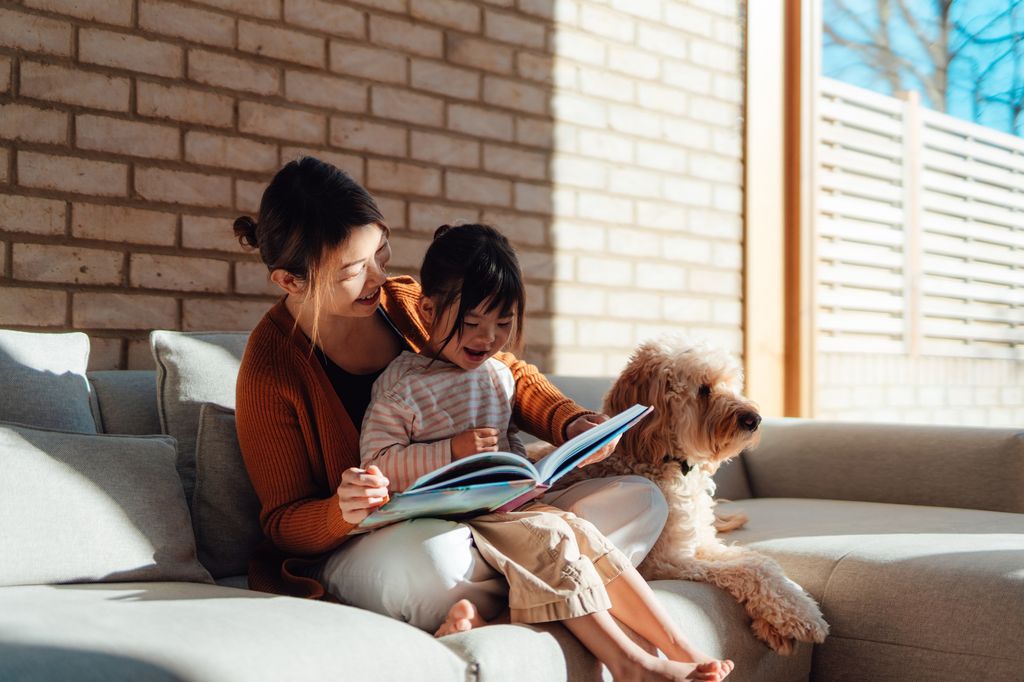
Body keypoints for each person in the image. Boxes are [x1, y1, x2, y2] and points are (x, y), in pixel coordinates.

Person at [232, 155, 668, 642]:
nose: (377, 277)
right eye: (353, 270)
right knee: (431, 568)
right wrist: (341, 508)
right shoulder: (271, 369)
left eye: (382, 253)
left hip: (480, 516)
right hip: (378, 541)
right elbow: (282, 523)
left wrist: (569, 424)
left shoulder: (403, 302)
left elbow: (498, 370)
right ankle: (544, 590)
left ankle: (498, 614)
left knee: (640, 500)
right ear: (291, 281)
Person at [359, 224, 734, 681]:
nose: (487, 338)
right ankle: (630, 663)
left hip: (504, 507)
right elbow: (377, 464)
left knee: (580, 531)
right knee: (552, 536)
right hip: (448, 518)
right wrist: (449, 451)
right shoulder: (403, 386)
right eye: (472, 324)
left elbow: (507, 445)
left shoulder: (497, 377)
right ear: (428, 310)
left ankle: (678, 645)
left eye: (503, 324)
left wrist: (535, 468)